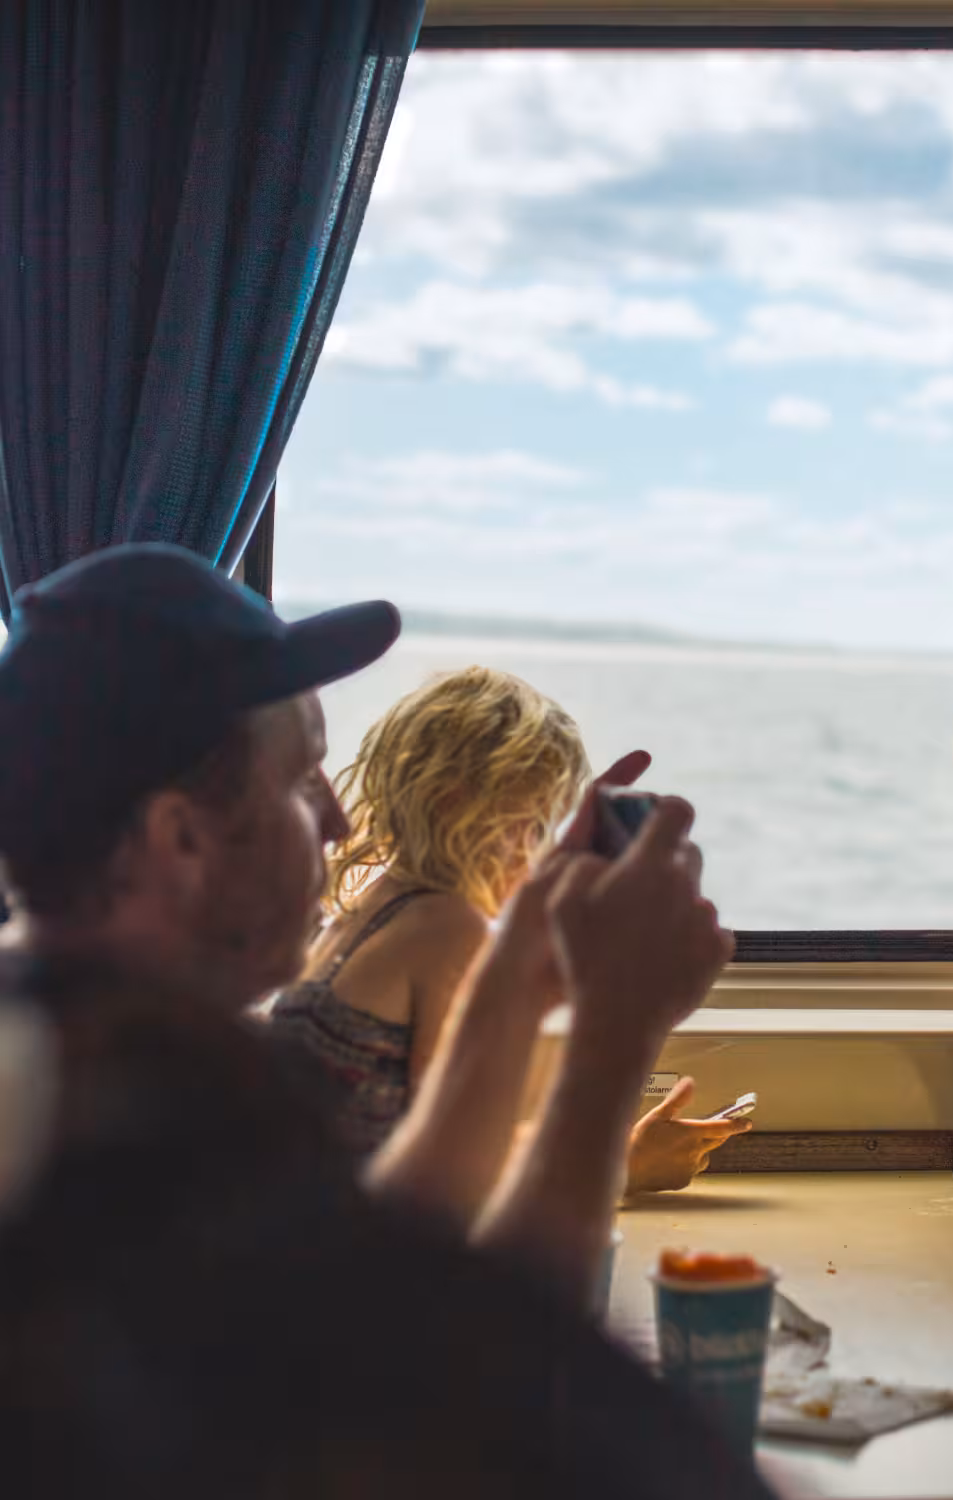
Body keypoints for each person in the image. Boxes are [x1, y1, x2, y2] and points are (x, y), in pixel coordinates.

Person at [0, 544, 770, 1498]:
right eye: (300, 780)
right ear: (180, 837)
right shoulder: (127, 1127)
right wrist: (616, 1031)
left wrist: (525, 972)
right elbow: (484, 1408)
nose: (335, 821)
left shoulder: (75, 1042)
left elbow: (392, 1284)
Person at [265, 666, 750, 1189]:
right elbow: (455, 1174)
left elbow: (444, 1130)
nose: (539, 851)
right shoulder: (446, 928)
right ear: (460, 803)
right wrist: (624, 1163)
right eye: (535, 824)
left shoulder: (369, 908)